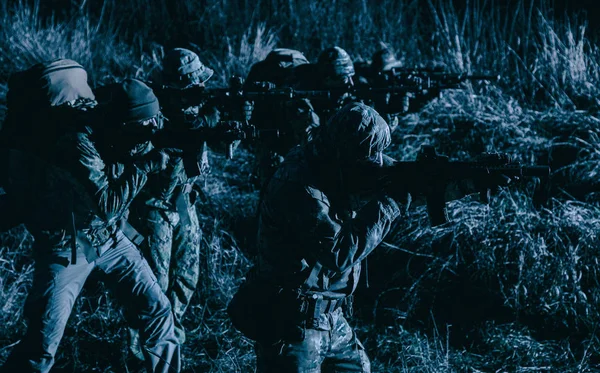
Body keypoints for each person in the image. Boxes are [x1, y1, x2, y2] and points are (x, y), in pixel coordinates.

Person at [1, 72, 181, 373]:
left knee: (158, 310)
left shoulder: (125, 132)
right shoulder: (78, 142)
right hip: (69, 244)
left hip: (109, 237)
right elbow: (108, 205)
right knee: (42, 346)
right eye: (145, 125)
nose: (152, 130)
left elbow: (157, 189)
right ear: (125, 123)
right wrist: (146, 165)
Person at [250, 102, 406, 372]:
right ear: (344, 153)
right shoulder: (300, 186)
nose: (377, 162)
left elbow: (384, 168)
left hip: (328, 315)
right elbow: (338, 253)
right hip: (292, 324)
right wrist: (390, 205)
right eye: (368, 157)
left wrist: (441, 177)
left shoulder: (327, 161)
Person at [126, 47, 244, 353]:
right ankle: (143, 352)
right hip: (155, 210)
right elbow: (172, 134)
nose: (200, 91)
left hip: (184, 203)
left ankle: (169, 334)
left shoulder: (196, 111)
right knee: (154, 285)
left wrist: (231, 127)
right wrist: (205, 120)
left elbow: (214, 141)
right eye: (194, 86)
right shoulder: (153, 110)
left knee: (186, 276)